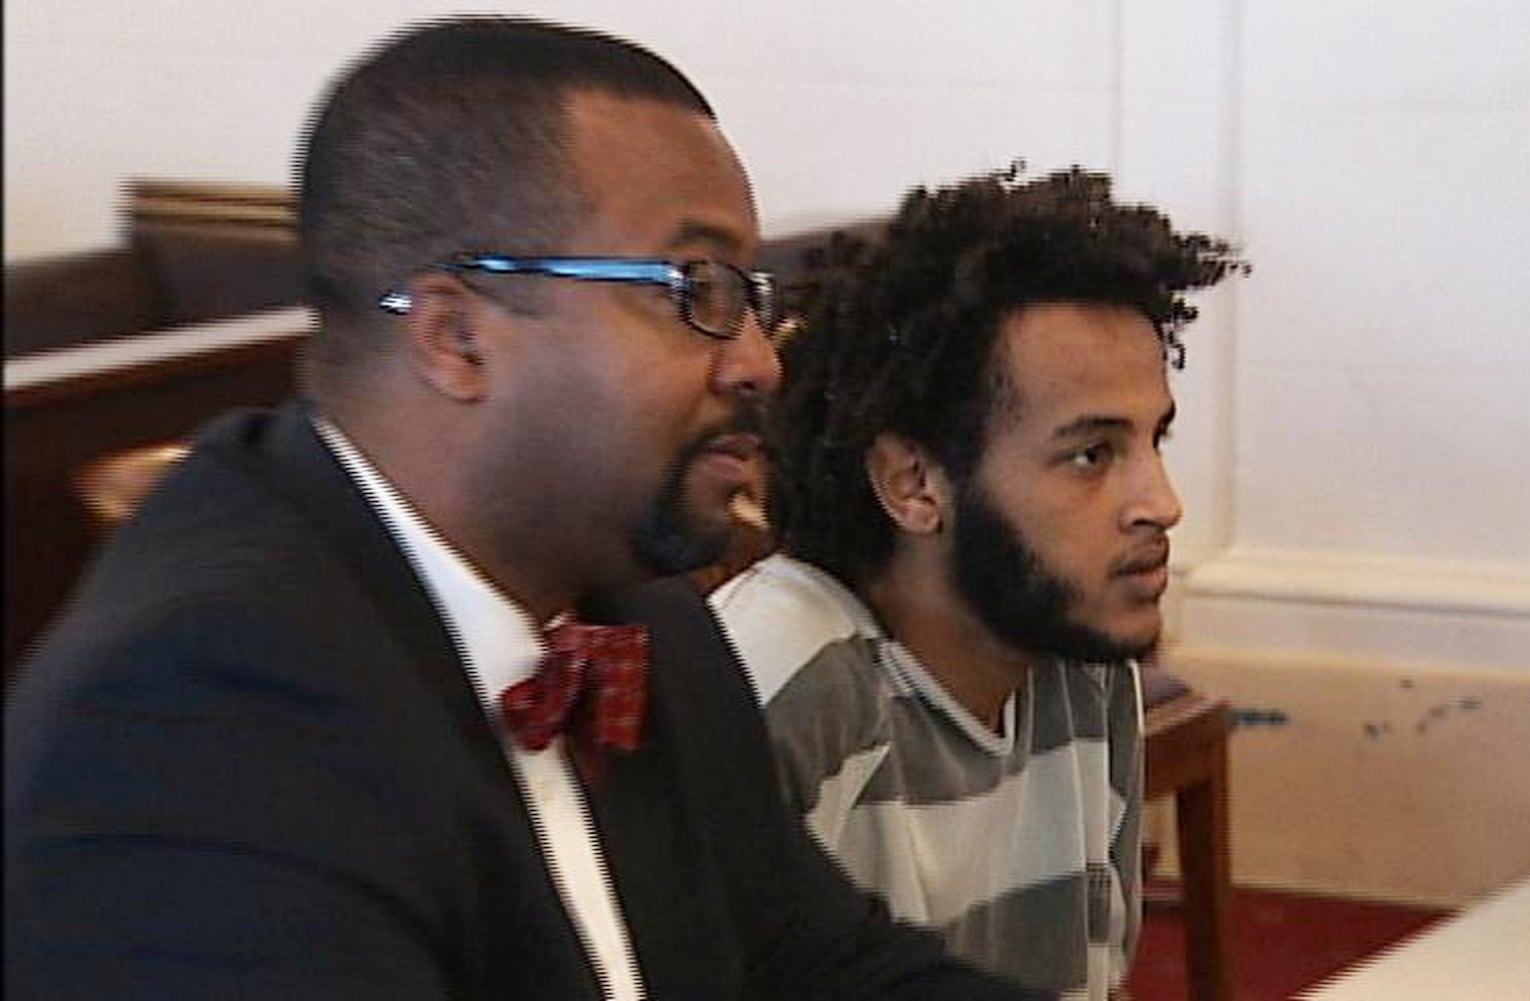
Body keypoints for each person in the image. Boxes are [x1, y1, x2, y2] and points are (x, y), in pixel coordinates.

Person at [4, 20, 1053, 999]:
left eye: (750, 296)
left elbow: (824, 965)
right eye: (695, 288)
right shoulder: (198, 712)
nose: (757, 360)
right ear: (456, 337)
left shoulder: (633, 609)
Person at [712, 166, 1245, 998]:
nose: (1162, 504)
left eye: (1154, 441)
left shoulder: (1082, 664)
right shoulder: (779, 686)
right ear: (915, 483)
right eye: (1091, 454)